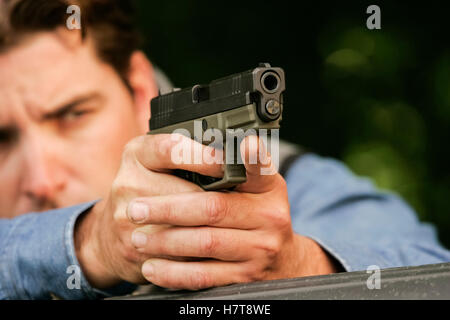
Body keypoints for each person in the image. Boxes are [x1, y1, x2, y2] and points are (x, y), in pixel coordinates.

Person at [0, 0, 449, 300]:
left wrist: (300, 264)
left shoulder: (299, 183)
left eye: (74, 114)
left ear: (139, 90)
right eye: (2, 141)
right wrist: (87, 244)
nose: (41, 179)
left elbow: (426, 271)